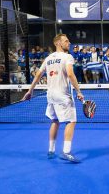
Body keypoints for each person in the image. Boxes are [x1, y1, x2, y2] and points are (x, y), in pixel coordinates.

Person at [22, 33, 85, 163]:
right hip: (63, 95)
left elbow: (38, 75)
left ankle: (51, 150)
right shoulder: (67, 57)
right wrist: (78, 91)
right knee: (71, 121)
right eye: (66, 41)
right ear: (58, 43)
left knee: (55, 121)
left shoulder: (48, 58)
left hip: (50, 95)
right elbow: (70, 74)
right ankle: (66, 152)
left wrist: (30, 90)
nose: (69, 43)